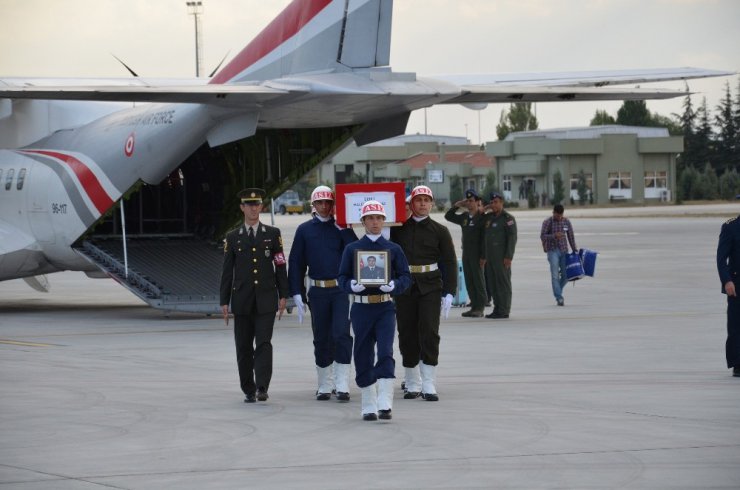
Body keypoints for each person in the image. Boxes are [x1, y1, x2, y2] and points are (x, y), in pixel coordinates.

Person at [338, 200, 411, 420]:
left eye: (379, 218)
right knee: (362, 354)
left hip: (385, 307)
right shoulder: (352, 249)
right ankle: (368, 403)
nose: (375, 222)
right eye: (370, 218)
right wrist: (351, 285)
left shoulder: (393, 249)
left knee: (386, 351)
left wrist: (394, 286)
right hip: (361, 309)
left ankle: (385, 402)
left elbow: (406, 277)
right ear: (363, 222)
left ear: (384, 221)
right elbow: (341, 277)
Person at [288, 185, 358, 401]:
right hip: (317, 291)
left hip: (340, 291)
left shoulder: (342, 228)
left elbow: (356, 252)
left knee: (341, 334)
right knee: (321, 337)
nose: (325, 206)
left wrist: (344, 229)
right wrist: (297, 292)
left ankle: (342, 382)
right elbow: (296, 262)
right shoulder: (304, 230)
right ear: (313, 205)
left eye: (328, 202)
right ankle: (324, 384)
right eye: (320, 202)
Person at [220, 188, 288, 403]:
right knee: (243, 345)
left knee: (264, 344)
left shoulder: (272, 234)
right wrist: (224, 301)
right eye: (248, 204)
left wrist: (283, 295)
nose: (253, 208)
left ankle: (261, 386)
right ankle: (247, 388)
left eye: (256, 204)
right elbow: (227, 271)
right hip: (241, 300)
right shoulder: (232, 238)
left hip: (266, 298)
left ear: (261, 206)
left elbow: (280, 265)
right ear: (242, 208)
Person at [391, 185, 457, 401]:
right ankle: (412, 381)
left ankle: (428, 382)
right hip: (405, 286)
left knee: (429, 331)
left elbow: (449, 262)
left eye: (426, 200)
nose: (422, 204)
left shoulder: (440, 231)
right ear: (410, 204)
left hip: (430, 286)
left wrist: (449, 292)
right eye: (418, 200)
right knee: (407, 332)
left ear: (432, 204)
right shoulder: (397, 229)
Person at [444, 188, 486, 317]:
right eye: (467, 201)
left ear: (477, 202)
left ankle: (480, 307)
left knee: (478, 280)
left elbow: (485, 239)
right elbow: (448, 216)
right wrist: (457, 205)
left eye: (471, 201)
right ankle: (474, 306)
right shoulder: (464, 217)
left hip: (478, 254)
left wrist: (484, 256)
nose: (469, 203)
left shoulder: (482, 218)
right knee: (469, 279)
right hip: (466, 253)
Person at [482, 192, 517, 319]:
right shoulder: (489, 217)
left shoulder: (508, 218)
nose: (494, 204)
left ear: (502, 203)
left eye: (496, 202)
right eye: (492, 202)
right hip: (490, 258)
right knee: (493, 283)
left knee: (503, 283)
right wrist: (485, 208)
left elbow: (512, 238)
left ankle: (504, 310)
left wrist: (509, 256)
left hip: (502, 258)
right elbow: (477, 216)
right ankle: (497, 309)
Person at [716, 214, 740, 377]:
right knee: (736, 326)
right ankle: (737, 363)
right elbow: (721, 258)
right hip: (737, 285)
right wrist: (727, 281)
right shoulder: (730, 227)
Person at [540, 204, 578, 306]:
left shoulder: (566, 222)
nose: (559, 217)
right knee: (555, 275)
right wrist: (554, 236)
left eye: (560, 215)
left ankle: (558, 290)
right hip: (552, 251)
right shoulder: (547, 222)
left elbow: (571, 237)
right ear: (553, 212)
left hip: (564, 250)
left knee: (566, 276)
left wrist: (575, 250)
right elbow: (542, 236)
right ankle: (559, 298)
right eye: (557, 215)